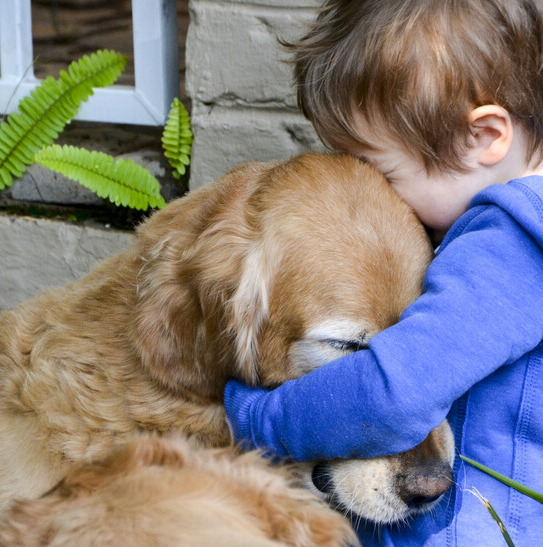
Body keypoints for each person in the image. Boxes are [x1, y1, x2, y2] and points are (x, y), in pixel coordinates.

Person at [224, 1, 543, 545]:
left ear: (485, 136)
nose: (370, 193)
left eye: (377, 168)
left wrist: (255, 421)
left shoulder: (509, 249)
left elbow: (393, 396)